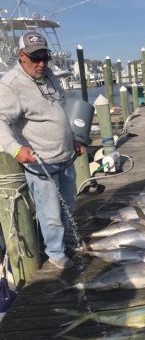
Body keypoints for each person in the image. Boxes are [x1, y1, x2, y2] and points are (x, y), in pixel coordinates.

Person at [0, 31, 84, 270]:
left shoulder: (50, 76)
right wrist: (16, 150)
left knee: (69, 203)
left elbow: (60, 110)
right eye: (35, 57)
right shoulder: (11, 85)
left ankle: (67, 242)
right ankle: (56, 253)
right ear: (21, 56)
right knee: (51, 213)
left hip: (65, 156)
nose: (42, 63)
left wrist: (75, 138)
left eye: (45, 57)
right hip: (40, 162)